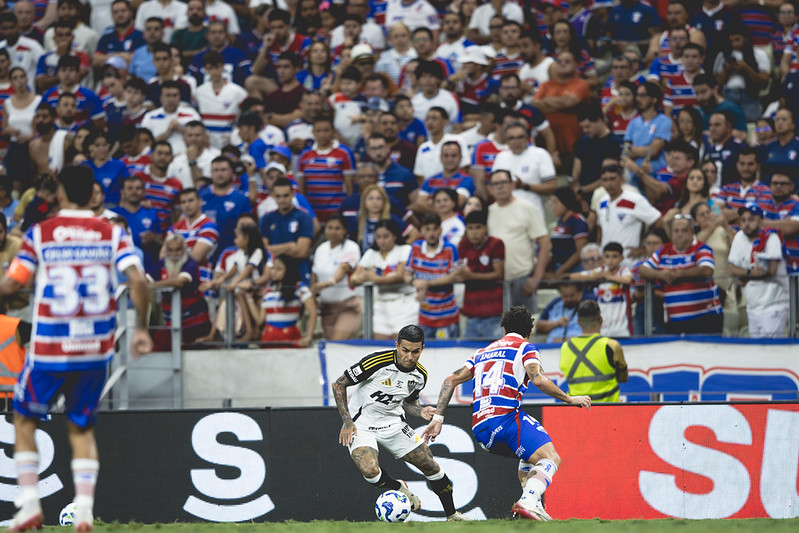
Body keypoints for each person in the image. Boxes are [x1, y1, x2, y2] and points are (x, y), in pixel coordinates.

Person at [0, 164, 152, 532]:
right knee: (81, 428)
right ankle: (83, 510)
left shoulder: (41, 233)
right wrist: (141, 329)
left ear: (60, 193)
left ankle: (30, 506)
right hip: (94, 349)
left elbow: (12, 284)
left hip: (51, 347)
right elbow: (139, 281)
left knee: (24, 419)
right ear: (93, 193)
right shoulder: (112, 233)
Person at [422, 306, 591, 521]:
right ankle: (529, 500)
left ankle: (532, 506)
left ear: (503, 329)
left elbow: (450, 380)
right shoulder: (525, 347)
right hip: (505, 419)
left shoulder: (481, 352)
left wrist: (438, 419)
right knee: (551, 458)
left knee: (530, 456)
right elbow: (538, 379)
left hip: (480, 430)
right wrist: (569, 399)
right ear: (529, 332)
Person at [333, 324, 466, 521]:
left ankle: (452, 515)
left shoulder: (420, 375)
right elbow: (339, 384)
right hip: (361, 424)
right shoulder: (375, 362)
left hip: (393, 424)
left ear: (422, 349)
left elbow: (408, 404)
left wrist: (421, 411)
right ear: (397, 345)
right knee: (370, 471)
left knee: (431, 466)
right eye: (405, 350)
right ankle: (399, 488)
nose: (409, 356)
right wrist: (347, 421)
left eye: (415, 351)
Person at [639, 214, 724, 334]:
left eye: (684, 230)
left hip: (705, 318)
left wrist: (679, 274)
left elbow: (706, 270)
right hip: (675, 321)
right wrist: (662, 275)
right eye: (676, 231)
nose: (679, 234)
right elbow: (642, 270)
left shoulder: (700, 248)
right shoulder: (663, 250)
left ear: (692, 233)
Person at [487, 169, 551, 312]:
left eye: (504, 182)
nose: (500, 187)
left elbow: (545, 243)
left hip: (522, 278)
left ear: (512, 185)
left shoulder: (527, 207)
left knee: (524, 324)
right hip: (496, 281)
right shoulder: (488, 211)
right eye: (495, 184)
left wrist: (537, 277)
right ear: (489, 188)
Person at [727, 205, 790, 338]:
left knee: (771, 348)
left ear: (760, 221)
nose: (746, 224)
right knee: (755, 349)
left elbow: (771, 271)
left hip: (773, 306)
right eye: (743, 220)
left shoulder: (771, 237)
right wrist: (749, 273)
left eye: (751, 219)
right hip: (752, 306)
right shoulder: (739, 237)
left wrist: (745, 276)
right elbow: (731, 269)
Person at [351, 219, 419, 340]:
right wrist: (366, 277)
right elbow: (354, 279)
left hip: (405, 304)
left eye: (385, 236)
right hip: (381, 305)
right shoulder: (371, 253)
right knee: (380, 346)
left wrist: (372, 277)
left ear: (394, 236)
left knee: (402, 343)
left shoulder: (405, 250)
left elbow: (400, 276)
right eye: (378, 237)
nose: (381, 240)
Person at [149, 232, 212, 349]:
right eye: (170, 250)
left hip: (195, 324)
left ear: (184, 250)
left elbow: (179, 282)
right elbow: (147, 278)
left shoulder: (190, 263)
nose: (174, 254)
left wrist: (152, 285)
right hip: (171, 322)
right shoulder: (163, 263)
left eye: (178, 250)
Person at [403, 213, 460, 340]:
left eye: (435, 229)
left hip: (448, 316)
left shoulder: (450, 249)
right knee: (423, 351)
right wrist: (415, 282)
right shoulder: (416, 247)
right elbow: (406, 275)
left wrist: (427, 284)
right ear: (422, 231)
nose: (431, 233)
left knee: (450, 350)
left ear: (440, 230)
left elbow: (455, 276)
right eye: (427, 229)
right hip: (424, 316)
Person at [559, 300, 628, 402]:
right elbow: (623, 378)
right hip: (608, 409)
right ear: (600, 319)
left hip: (576, 408)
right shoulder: (612, 345)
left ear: (578, 321)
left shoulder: (565, 347)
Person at [311, 214, 363, 341]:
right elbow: (315, 274)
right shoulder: (321, 249)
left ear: (344, 230)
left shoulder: (351, 247)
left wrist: (329, 282)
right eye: (330, 228)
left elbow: (343, 268)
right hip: (327, 308)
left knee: (337, 343)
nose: (333, 231)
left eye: (337, 228)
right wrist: (313, 296)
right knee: (330, 346)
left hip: (348, 307)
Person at [456, 210, 505, 340]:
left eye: (478, 227)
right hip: (471, 314)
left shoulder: (496, 244)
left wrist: (471, 276)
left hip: (493, 313)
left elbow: (498, 274)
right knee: (470, 351)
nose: (474, 232)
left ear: (486, 228)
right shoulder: (463, 245)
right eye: (470, 228)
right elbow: (462, 273)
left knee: (495, 351)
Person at [572, 242, 634, 337]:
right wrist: (597, 276)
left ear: (621, 258)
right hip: (604, 323)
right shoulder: (601, 270)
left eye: (614, 256)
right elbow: (576, 276)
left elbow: (628, 279)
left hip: (622, 324)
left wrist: (609, 277)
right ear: (603, 258)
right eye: (607, 256)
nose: (610, 260)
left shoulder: (623, 270)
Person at [257, 254, 317, 347]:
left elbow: (313, 312)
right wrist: (249, 299)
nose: (273, 272)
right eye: (272, 268)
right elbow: (260, 320)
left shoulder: (298, 288)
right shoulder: (268, 291)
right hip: (269, 338)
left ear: (288, 270)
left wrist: (308, 337)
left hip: (290, 337)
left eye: (278, 269)